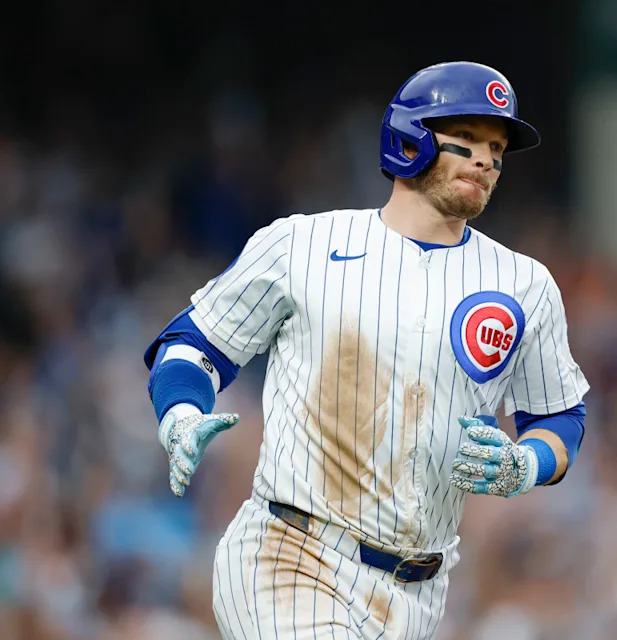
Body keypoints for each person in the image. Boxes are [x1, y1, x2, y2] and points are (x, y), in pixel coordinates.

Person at [143, 61, 589, 639]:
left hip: (419, 593)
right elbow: (195, 344)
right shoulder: (302, 243)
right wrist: (179, 414)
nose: (486, 159)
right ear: (411, 137)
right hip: (290, 554)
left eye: (498, 147)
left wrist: (524, 463)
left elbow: (560, 415)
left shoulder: (525, 284)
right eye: (470, 138)